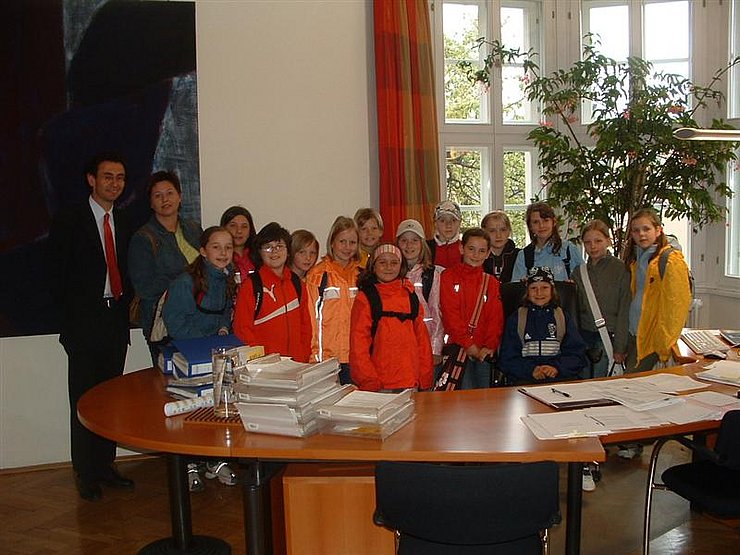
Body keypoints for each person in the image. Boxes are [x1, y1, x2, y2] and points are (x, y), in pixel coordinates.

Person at [48, 152, 135, 501]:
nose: (114, 183)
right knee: (83, 400)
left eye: (120, 178)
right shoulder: (70, 219)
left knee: (110, 400)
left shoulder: (125, 221)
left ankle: (106, 466)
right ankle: (85, 472)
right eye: (108, 176)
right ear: (91, 180)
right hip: (84, 324)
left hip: (114, 322)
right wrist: (70, 320)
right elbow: (56, 273)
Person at [162, 226, 238, 491]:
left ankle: (213, 461)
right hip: (189, 356)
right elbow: (175, 324)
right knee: (192, 411)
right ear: (203, 250)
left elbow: (225, 314)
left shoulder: (226, 278)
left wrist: (224, 329)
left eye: (228, 247)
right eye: (216, 247)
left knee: (215, 409)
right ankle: (190, 464)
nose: (223, 252)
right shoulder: (186, 282)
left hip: (214, 355)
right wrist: (209, 334)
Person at [128, 171, 202, 362]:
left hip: (198, 318)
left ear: (180, 197)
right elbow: (145, 287)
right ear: (151, 203)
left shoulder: (194, 229)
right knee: (167, 382)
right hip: (165, 324)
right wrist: (186, 277)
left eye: (169, 193)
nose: (165, 199)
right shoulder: (143, 238)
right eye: (158, 195)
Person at [350, 244, 434, 391]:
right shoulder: (366, 299)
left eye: (394, 262)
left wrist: (425, 377)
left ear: (401, 266)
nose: (388, 267)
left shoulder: (410, 295)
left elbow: (422, 340)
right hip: (379, 385)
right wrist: (368, 380)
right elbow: (358, 346)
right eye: (382, 262)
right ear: (373, 266)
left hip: (410, 382)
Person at [624, 208, 692, 373]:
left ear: (658, 230)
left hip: (654, 339)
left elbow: (676, 305)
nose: (642, 234)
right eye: (636, 230)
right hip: (636, 333)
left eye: (646, 229)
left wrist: (663, 343)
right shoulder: (636, 258)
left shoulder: (670, 260)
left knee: (630, 384)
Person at [233, 223, 312, 361]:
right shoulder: (251, 286)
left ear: (288, 251)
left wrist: (303, 357)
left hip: (297, 366)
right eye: (268, 247)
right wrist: (259, 362)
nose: (274, 252)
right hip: (265, 370)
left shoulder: (296, 283)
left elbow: (305, 327)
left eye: (279, 246)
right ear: (259, 252)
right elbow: (242, 331)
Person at [499, 266, 588, 385]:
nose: (539, 293)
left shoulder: (562, 317)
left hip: (559, 379)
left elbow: (577, 354)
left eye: (544, 287)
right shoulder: (517, 319)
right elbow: (507, 357)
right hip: (524, 379)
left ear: (552, 290)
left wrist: (556, 368)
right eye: (533, 288)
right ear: (527, 291)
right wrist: (531, 370)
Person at [439, 228, 504, 389]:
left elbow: (495, 318)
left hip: (483, 352)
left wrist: (489, 346)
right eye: (471, 249)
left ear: (488, 253)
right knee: (462, 399)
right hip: (458, 347)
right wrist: (469, 345)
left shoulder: (492, 282)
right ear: (461, 248)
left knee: (484, 400)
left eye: (481, 251)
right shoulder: (448, 277)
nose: (476, 255)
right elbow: (450, 315)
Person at [572, 220, 631, 378]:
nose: (593, 246)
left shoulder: (621, 269)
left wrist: (620, 347)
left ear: (608, 241)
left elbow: (624, 310)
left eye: (598, 241)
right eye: (588, 242)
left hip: (608, 338)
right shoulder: (578, 273)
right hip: (584, 338)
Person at [306, 216, 361, 385]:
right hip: (326, 360)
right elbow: (311, 321)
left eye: (352, 242)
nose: (347, 247)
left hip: (355, 358)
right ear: (332, 242)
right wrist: (316, 358)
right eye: (342, 241)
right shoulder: (318, 275)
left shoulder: (362, 275)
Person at [395, 219, 445, 374]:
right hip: (398, 348)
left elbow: (436, 313)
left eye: (414, 240)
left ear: (422, 244)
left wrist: (435, 348)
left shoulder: (432, 274)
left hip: (425, 346)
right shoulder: (391, 273)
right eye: (404, 240)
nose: (409, 246)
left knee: (427, 395)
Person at [511, 201, 584, 282]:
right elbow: (517, 289)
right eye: (536, 222)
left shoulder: (569, 250)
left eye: (545, 220)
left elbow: (584, 282)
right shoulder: (524, 256)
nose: (541, 226)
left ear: (554, 222)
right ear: (530, 226)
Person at [220, 205, 256, 283]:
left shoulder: (259, 257)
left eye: (244, 226)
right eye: (233, 226)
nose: (239, 231)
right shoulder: (219, 257)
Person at [481, 210, 520, 283]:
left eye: (503, 230)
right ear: (484, 232)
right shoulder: (479, 256)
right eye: (492, 231)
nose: (498, 235)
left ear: (509, 231)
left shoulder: (519, 255)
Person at [427, 200, 462, 269]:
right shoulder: (426, 248)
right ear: (435, 223)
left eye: (453, 220)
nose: (448, 225)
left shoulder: (467, 248)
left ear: (460, 222)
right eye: (442, 221)